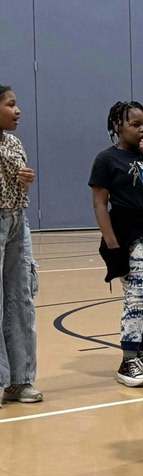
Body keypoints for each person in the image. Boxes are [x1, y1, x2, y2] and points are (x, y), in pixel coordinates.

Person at [89, 100, 143, 388]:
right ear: (117, 126)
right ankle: (127, 360)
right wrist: (112, 242)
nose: (142, 129)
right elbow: (100, 203)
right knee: (138, 293)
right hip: (127, 234)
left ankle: (140, 352)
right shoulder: (106, 159)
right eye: (135, 124)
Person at [0, 84, 40, 406]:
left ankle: (20, 380)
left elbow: (17, 182)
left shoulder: (13, 142)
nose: (18, 110)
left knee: (20, 299)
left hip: (17, 220)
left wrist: (25, 180)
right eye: (11, 104)